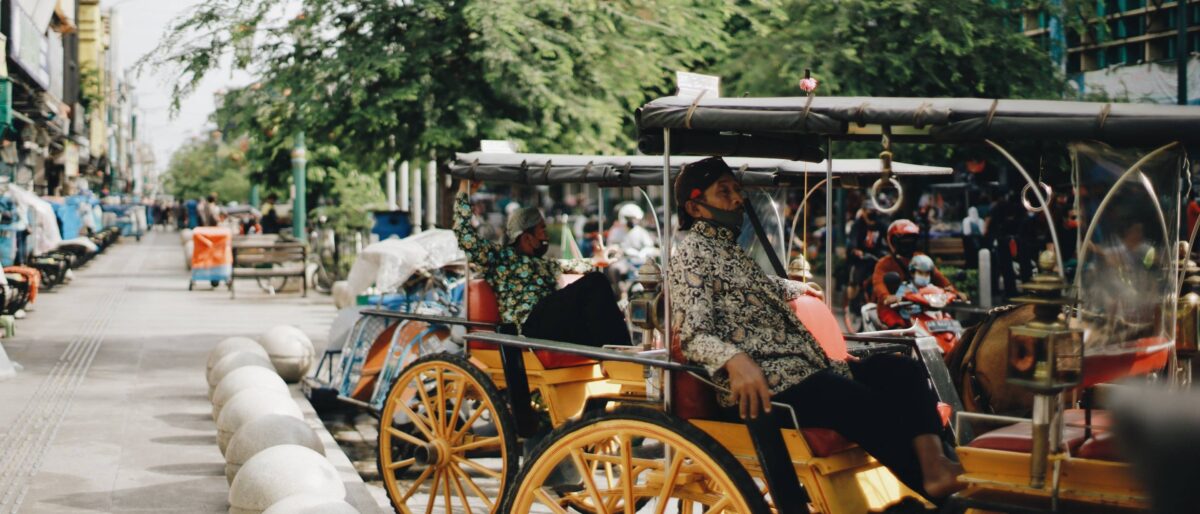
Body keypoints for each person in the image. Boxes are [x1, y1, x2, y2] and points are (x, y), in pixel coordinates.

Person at [669, 156, 963, 499]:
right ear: (696, 206)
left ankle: (936, 467)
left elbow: (753, 286)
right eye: (724, 192)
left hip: (802, 369)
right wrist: (735, 359)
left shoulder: (727, 250)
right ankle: (938, 494)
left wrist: (795, 288)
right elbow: (693, 335)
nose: (738, 199)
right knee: (855, 400)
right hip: (763, 385)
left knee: (903, 372)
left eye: (737, 189)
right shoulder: (691, 255)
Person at [453, 179, 630, 347]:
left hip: (553, 325)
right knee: (595, 281)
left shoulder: (545, 264)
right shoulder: (500, 258)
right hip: (529, 326)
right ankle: (623, 357)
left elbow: (571, 264)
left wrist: (597, 260)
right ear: (526, 236)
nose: (546, 236)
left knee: (599, 308)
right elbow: (465, 237)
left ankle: (620, 357)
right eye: (542, 230)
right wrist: (464, 191)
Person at [872, 219, 961, 329]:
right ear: (894, 241)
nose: (908, 244)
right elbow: (878, 284)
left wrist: (953, 291)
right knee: (899, 329)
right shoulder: (884, 264)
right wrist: (887, 297)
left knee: (945, 321)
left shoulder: (921, 258)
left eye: (911, 240)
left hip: (921, 307)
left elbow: (938, 277)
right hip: (893, 308)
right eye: (904, 241)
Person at [846, 208, 886, 312]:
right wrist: (855, 249)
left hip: (875, 256)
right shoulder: (858, 224)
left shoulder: (880, 224)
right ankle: (853, 305)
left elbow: (888, 237)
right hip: (860, 257)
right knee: (857, 280)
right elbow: (853, 238)